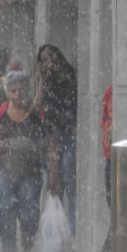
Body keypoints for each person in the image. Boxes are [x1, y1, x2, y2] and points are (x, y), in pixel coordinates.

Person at [0, 70, 59, 252]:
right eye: (13, 91)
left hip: (31, 172)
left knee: (30, 213)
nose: (18, 94)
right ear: (7, 93)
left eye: (21, 90)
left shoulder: (38, 115)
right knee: (6, 212)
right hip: (1, 171)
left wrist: (54, 173)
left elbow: (51, 146)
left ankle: (27, 249)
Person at [34, 43, 77, 237]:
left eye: (50, 58)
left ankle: (73, 230)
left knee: (69, 179)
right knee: (53, 182)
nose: (48, 64)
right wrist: (42, 81)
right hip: (51, 135)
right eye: (43, 61)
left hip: (68, 134)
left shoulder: (70, 77)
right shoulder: (47, 80)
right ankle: (55, 232)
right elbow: (36, 105)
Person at [96, 85, 113, 252]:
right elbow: (106, 128)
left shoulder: (111, 93)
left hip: (118, 158)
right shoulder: (110, 92)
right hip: (114, 159)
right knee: (119, 216)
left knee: (120, 217)